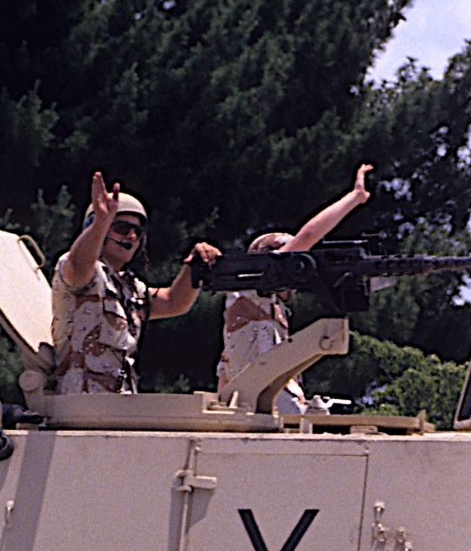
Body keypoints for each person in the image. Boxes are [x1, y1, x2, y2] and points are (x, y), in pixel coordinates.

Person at [216, 164, 374, 410]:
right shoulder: (249, 289)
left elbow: (225, 378)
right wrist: (354, 198)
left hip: (270, 406)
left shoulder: (268, 309)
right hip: (263, 410)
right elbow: (308, 235)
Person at [51, 171, 222, 394]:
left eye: (138, 232)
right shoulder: (85, 273)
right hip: (80, 401)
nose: (131, 237)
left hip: (117, 403)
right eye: (122, 228)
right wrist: (101, 223)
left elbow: (173, 302)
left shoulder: (129, 288)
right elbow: (78, 265)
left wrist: (195, 266)